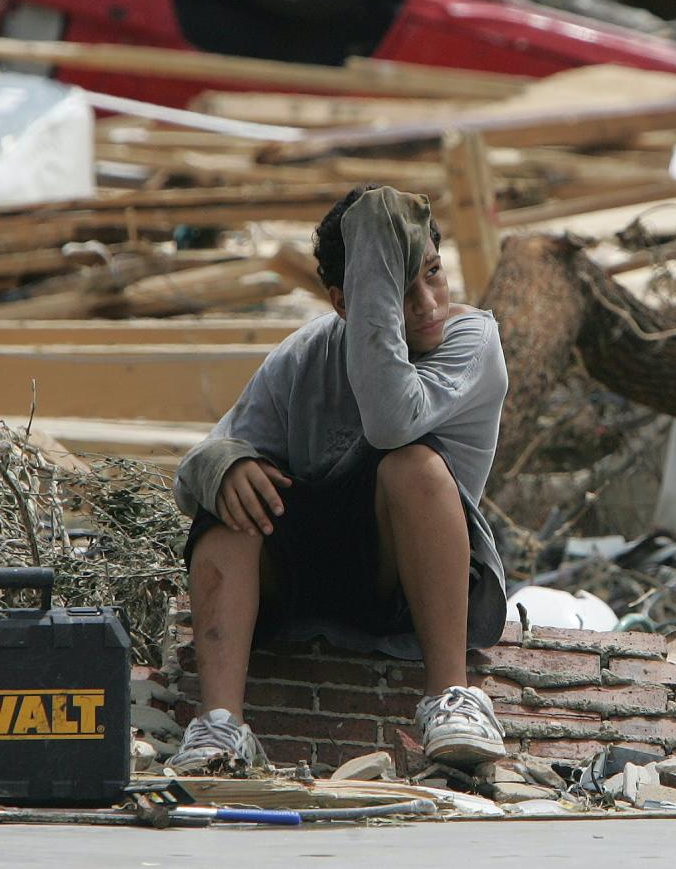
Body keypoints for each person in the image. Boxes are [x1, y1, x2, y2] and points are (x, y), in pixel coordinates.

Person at [170, 184, 509, 772]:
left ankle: (453, 698)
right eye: (396, 290)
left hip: (401, 585)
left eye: (433, 273)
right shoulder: (304, 356)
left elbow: (390, 419)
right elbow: (191, 473)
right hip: (302, 584)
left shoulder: (472, 341)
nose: (427, 303)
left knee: (415, 466)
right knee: (232, 489)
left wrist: (384, 265)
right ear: (344, 301)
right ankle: (221, 727)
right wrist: (226, 467)